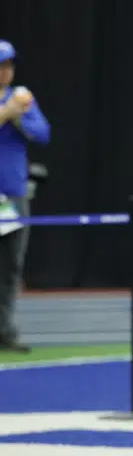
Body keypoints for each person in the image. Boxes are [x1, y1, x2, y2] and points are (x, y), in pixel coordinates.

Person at [0, 40, 51, 353]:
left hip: (13, 196)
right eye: (1, 65)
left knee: (10, 267)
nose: (6, 71)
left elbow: (43, 135)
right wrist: (6, 113)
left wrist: (19, 116)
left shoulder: (22, 99)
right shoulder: (11, 103)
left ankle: (5, 329)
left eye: (9, 65)